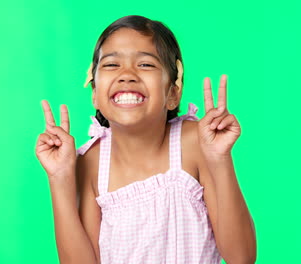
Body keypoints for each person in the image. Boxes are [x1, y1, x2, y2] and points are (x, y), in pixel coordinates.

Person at [35, 15, 256, 264]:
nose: (127, 75)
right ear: (94, 93)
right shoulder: (90, 163)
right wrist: (59, 179)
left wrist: (219, 159)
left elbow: (242, 257)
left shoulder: (195, 143)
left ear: (173, 93)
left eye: (146, 65)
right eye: (111, 65)